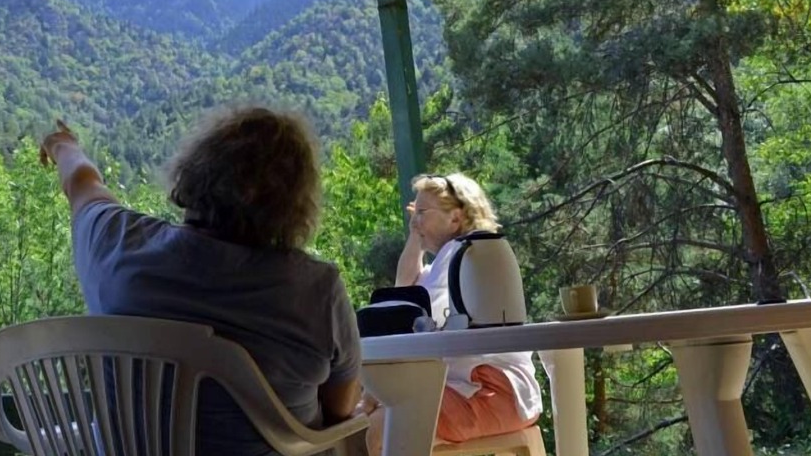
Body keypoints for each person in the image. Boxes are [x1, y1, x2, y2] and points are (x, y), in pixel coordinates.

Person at [39, 108, 362, 456]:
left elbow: (83, 183)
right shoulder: (317, 292)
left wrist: (63, 145)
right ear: (296, 204)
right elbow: (339, 411)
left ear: (195, 173)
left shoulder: (116, 246)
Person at [360, 173, 542, 453]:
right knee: (372, 415)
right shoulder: (453, 260)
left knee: (381, 427)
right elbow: (406, 287)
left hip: (493, 392)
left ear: (456, 219)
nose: (415, 220)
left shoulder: (464, 256)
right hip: (490, 392)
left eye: (422, 213)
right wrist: (416, 236)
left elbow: (413, 317)